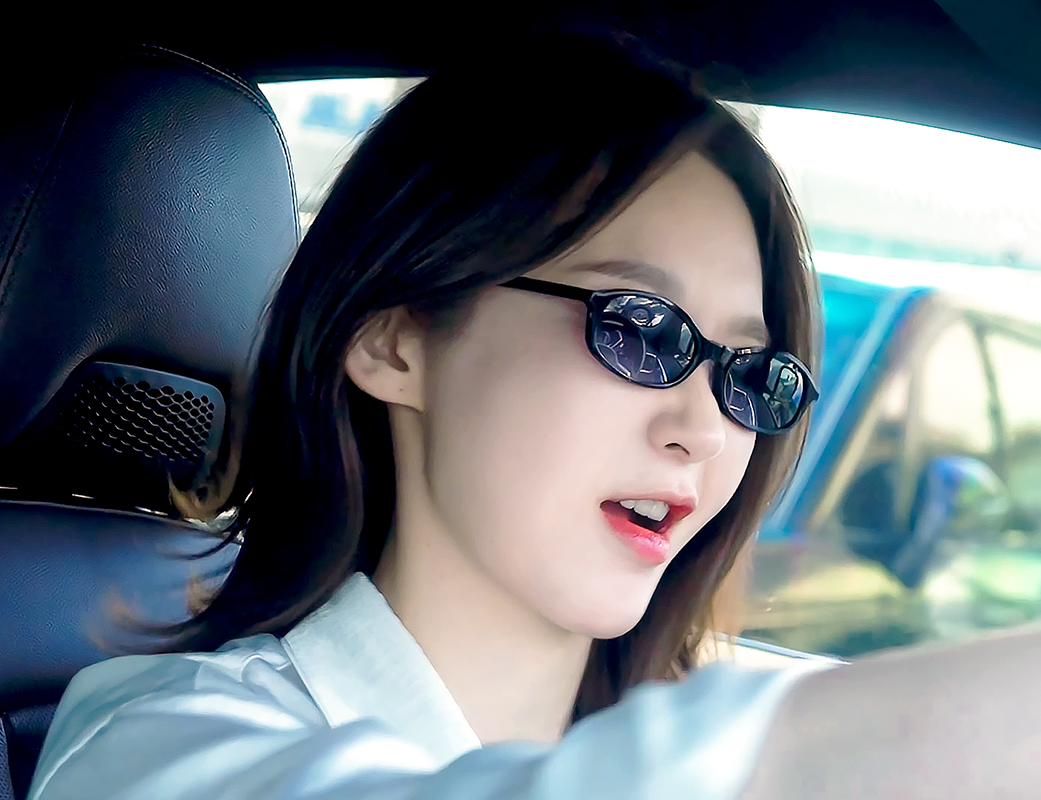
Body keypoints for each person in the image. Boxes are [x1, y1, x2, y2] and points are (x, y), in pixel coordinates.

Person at [27, 29, 827, 800]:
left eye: (753, 375)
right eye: (640, 331)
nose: (706, 432)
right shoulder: (160, 741)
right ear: (393, 340)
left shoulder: (697, 755)